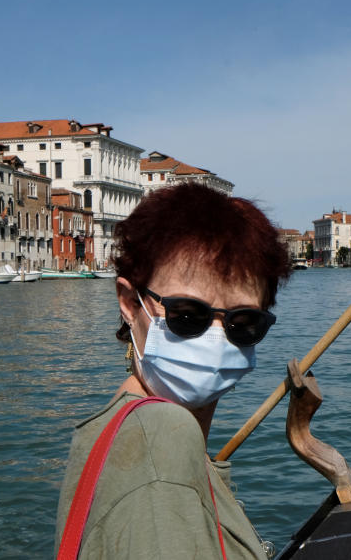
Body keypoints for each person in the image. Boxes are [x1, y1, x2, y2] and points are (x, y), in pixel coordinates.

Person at [55, 183, 292, 558]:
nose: (216, 340)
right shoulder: (161, 440)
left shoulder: (118, 426)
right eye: (186, 315)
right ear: (130, 303)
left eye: (243, 322)